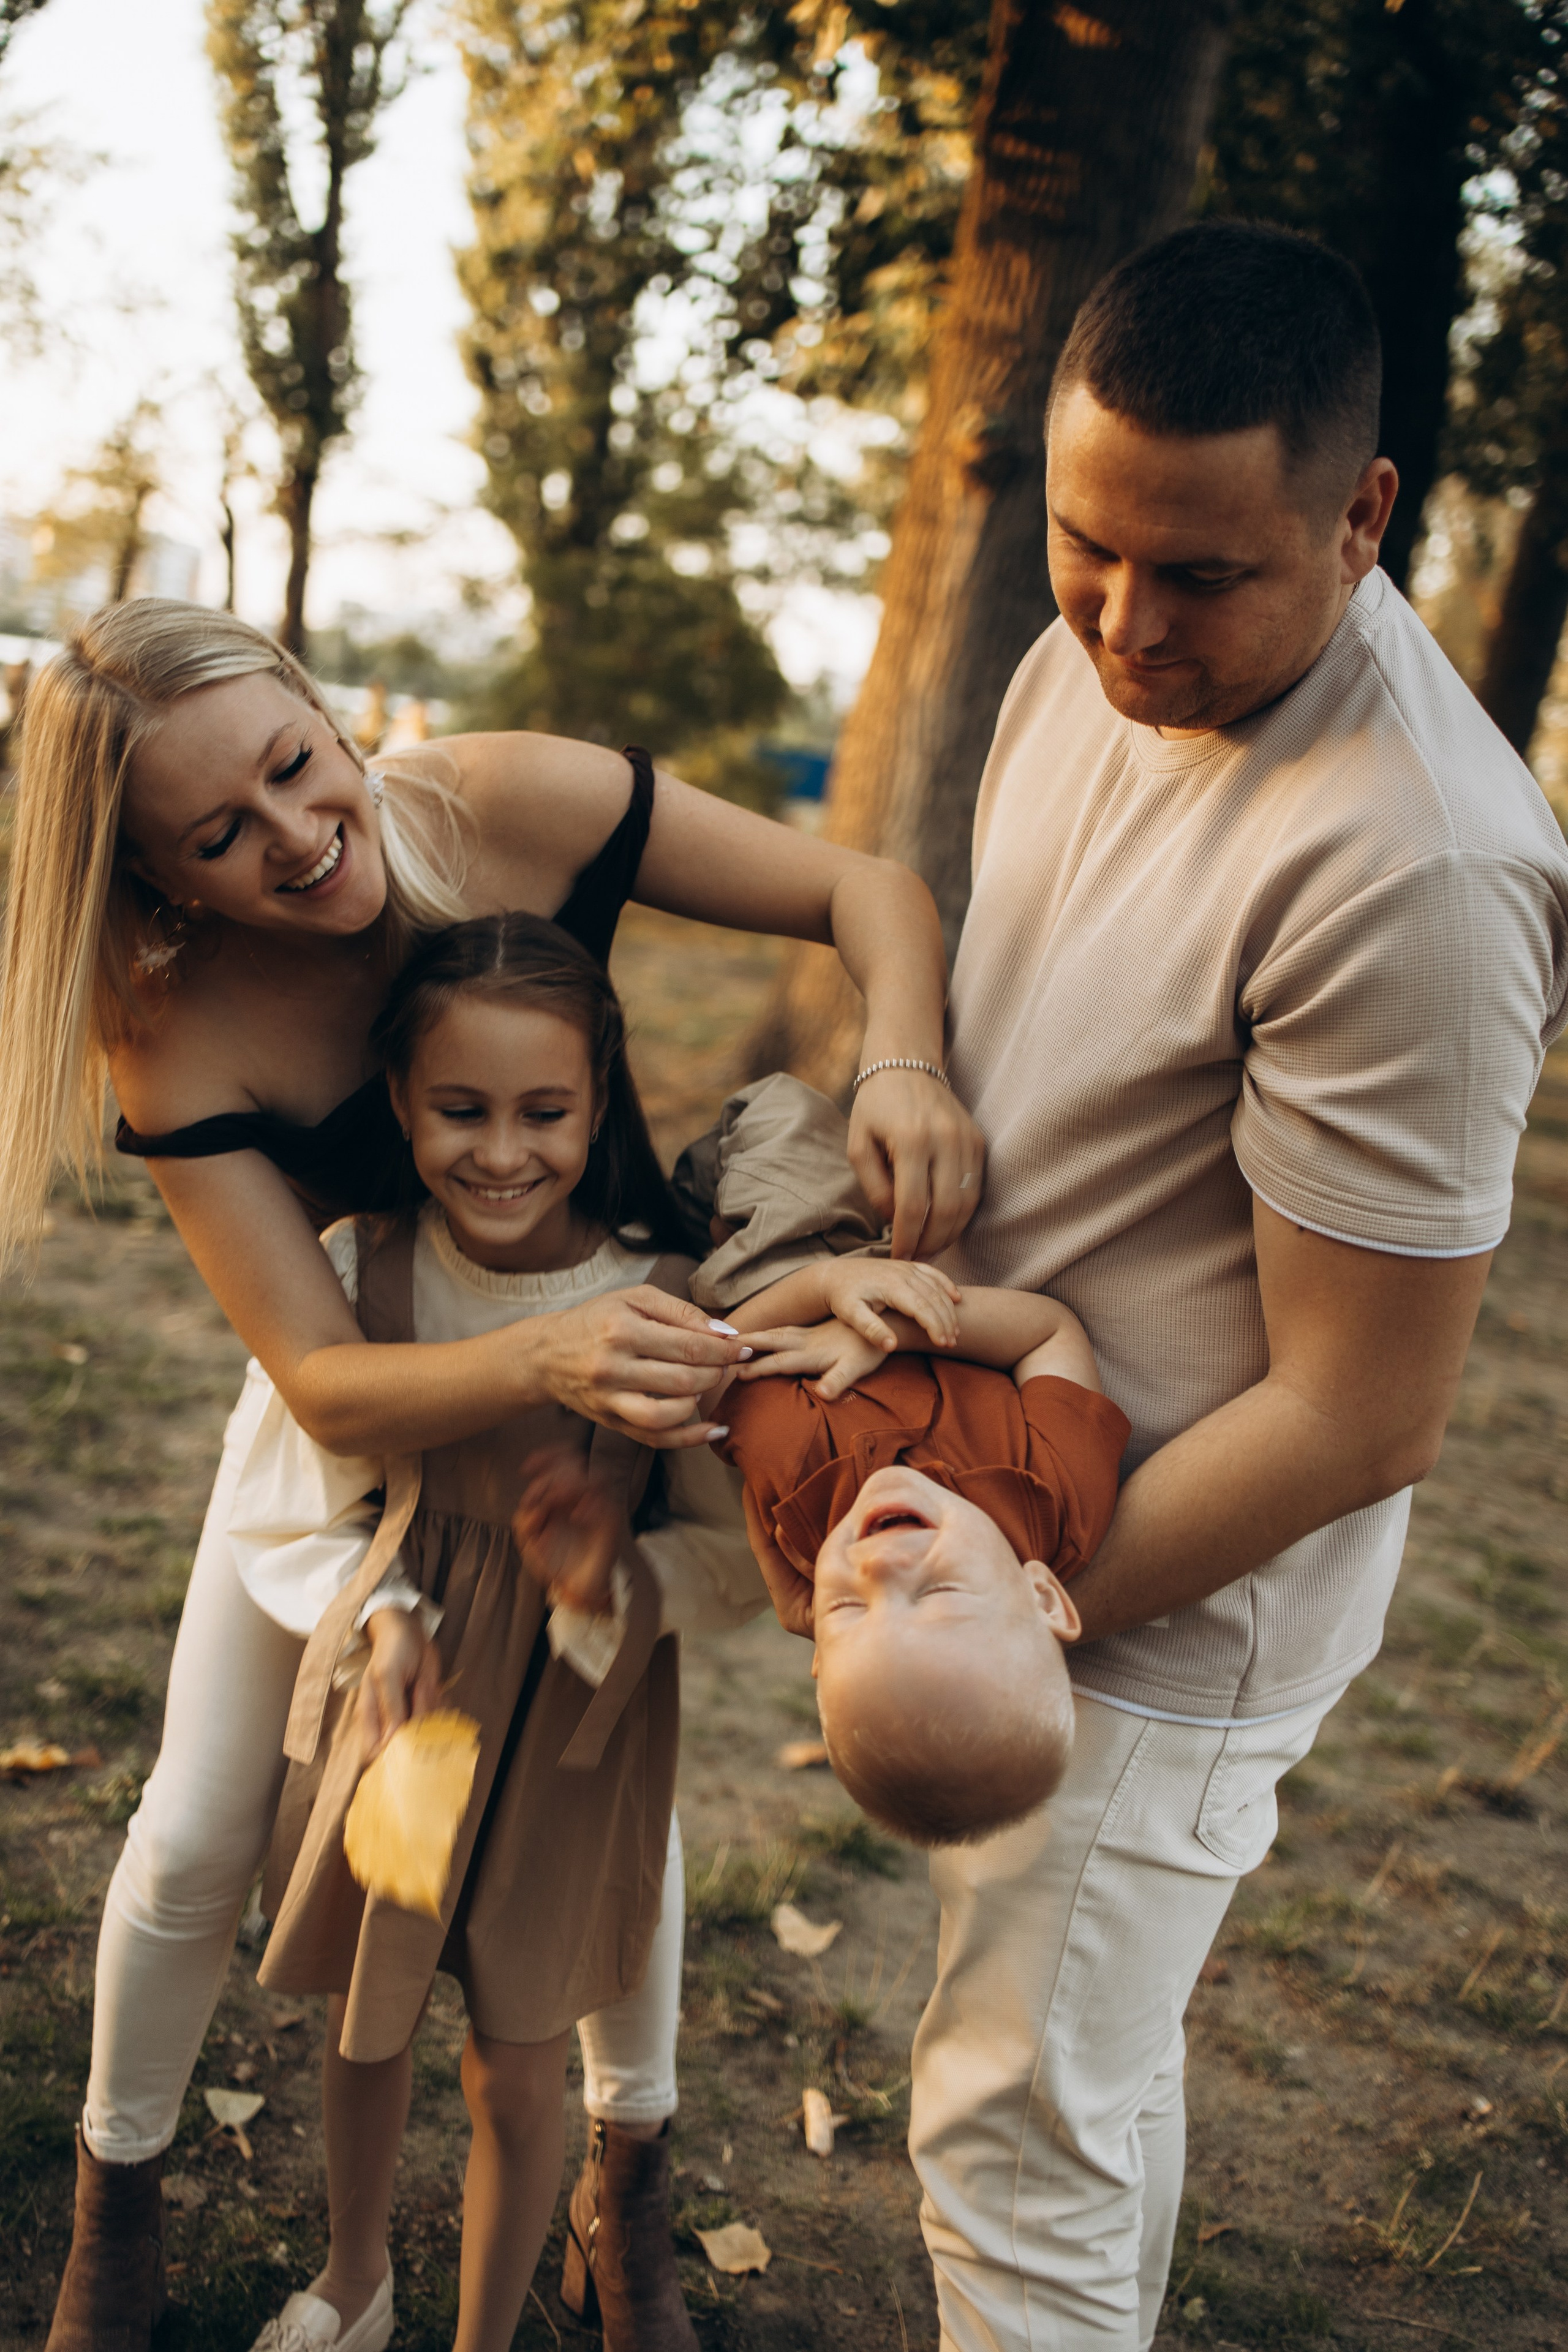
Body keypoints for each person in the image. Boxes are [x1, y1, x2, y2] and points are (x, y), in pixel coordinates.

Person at [0, 599, 982, 2352]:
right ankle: (116, 2197)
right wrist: (533, 1363)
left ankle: (628, 2189)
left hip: (607, 1346)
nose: (304, 840)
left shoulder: (515, 800)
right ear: (155, 882)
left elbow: (871, 894)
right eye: (223, 837)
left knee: (607, 1819)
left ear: (317, 703)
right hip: (371, 1400)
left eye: (299, 768)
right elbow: (315, 1377)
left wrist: (899, 1057)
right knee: (206, 1824)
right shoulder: (173, 1024)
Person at [899, 219, 1568, 2351]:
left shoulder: (1419, 864)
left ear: (1365, 516)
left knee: (1013, 2149)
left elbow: (1363, 1412)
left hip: (1158, 1608)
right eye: (1093, 545)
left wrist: (1007, 1599)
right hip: (1012, 1495)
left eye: (1201, 576)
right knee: (1077, 2100)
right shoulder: (1068, 648)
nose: (1122, 625)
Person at [232, 913, 764, 2352]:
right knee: (373, 2016)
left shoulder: (668, 1304)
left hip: (571, 1744)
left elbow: (736, 1566)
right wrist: (383, 1622)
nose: (502, 1150)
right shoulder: (363, 1275)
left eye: (544, 1112)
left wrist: (605, 1583)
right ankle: (355, 2282)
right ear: (401, 1101)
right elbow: (301, 1514)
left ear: (597, 1107)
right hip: (414, 1719)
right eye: (459, 1110)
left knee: (520, 2067)